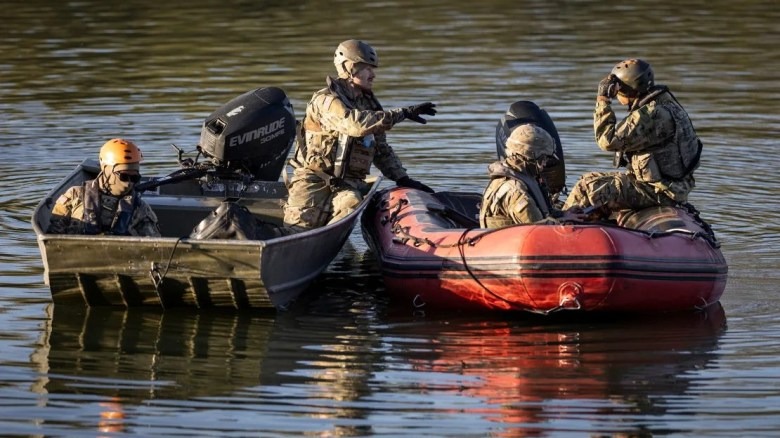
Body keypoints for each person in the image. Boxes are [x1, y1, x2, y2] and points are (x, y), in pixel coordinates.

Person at [283, 39, 437, 231]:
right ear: (349, 68)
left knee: (352, 202)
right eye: (367, 68)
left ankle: (327, 238)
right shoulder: (327, 101)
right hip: (312, 180)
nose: (373, 75)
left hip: (346, 184)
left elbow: (380, 149)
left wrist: (402, 179)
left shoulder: (368, 105)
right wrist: (401, 113)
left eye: (372, 69)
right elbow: (354, 125)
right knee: (297, 227)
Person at [563, 59, 702, 217]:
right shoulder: (665, 103)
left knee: (587, 186)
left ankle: (557, 227)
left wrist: (603, 101)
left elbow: (606, 141)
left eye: (618, 89)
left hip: (661, 192)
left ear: (628, 89)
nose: (615, 93)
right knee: (590, 178)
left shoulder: (650, 115)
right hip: (672, 186)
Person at [47, 138, 161, 237]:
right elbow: (53, 236)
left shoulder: (141, 209)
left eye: (135, 178)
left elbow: (154, 247)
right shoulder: (74, 196)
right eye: (124, 176)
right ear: (107, 170)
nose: (129, 183)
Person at [479, 124, 585, 228]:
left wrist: (563, 214)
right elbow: (537, 229)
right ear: (532, 157)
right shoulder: (515, 191)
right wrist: (565, 220)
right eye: (544, 159)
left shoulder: (522, 178)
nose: (544, 164)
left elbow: (542, 215)